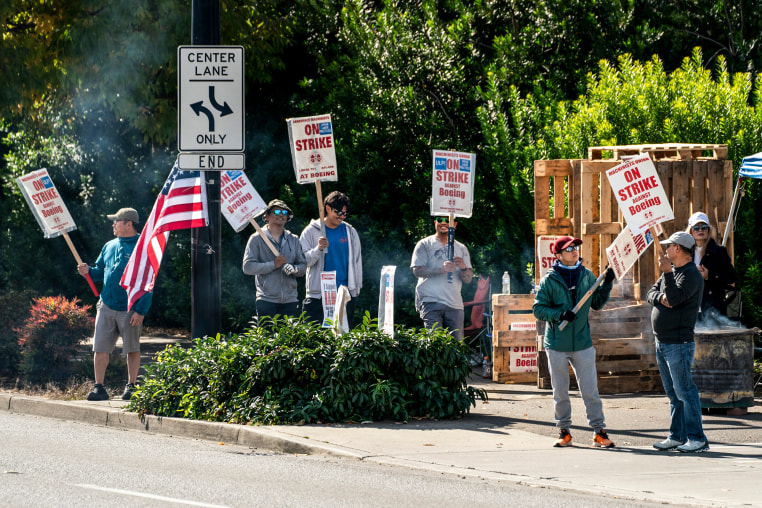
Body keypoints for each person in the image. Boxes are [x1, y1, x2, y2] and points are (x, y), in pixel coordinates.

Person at [532, 236, 616, 448]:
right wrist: (560, 314)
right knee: (560, 391)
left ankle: (599, 432)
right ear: (558, 255)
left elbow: (596, 303)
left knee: (590, 390)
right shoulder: (549, 280)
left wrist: (606, 283)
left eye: (575, 247)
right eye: (569, 248)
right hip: (557, 344)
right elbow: (538, 309)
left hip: (582, 343)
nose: (574, 251)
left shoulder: (587, 276)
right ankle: (564, 432)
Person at [78, 208, 152, 401]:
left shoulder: (143, 247)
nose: (113, 224)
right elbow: (99, 271)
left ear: (129, 224)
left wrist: (140, 310)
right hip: (106, 305)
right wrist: (87, 270)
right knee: (100, 348)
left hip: (131, 308)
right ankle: (99, 388)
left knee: (132, 348)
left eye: (116, 221)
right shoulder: (109, 245)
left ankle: (131, 386)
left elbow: (148, 281)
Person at [647, 231, 708, 453]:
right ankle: (677, 435)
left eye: (669, 246)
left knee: (685, 391)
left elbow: (674, 299)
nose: (666, 250)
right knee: (673, 393)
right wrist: (660, 296)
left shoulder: (691, 274)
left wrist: (666, 278)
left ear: (679, 249)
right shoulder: (671, 272)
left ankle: (697, 438)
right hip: (663, 341)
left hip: (678, 342)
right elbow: (651, 293)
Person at [300, 191, 363, 327]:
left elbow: (357, 261)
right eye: (338, 212)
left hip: (344, 294)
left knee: (343, 341)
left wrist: (355, 289)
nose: (342, 217)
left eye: (345, 214)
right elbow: (302, 261)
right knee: (314, 341)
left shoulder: (350, 231)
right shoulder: (310, 231)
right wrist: (318, 249)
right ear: (327, 209)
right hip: (318, 296)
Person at [242, 199, 307, 319]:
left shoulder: (294, 239)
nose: (281, 214)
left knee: (289, 338)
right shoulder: (256, 239)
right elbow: (247, 267)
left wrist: (294, 269)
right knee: (267, 338)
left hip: (290, 301)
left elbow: (303, 267)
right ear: (267, 216)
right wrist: (273, 264)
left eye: (285, 213)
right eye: (277, 212)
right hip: (266, 301)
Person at [411, 216, 473, 340]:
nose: (443, 223)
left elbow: (468, 279)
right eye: (440, 219)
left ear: (454, 225)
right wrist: (440, 270)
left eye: (447, 220)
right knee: (434, 343)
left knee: (456, 346)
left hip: (454, 303)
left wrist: (463, 268)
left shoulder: (461, 248)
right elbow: (417, 271)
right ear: (435, 223)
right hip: (430, 300)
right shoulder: (424, 244)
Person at [685, 211, 736, 317]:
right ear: (691, 231)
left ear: (708, 230)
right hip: (690, 308)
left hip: (713, 309)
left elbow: (732, 277)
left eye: (704, 227)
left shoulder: (719, 251)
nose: (700, 230)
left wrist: (709, 275)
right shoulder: (685, 252)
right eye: (696, 227)